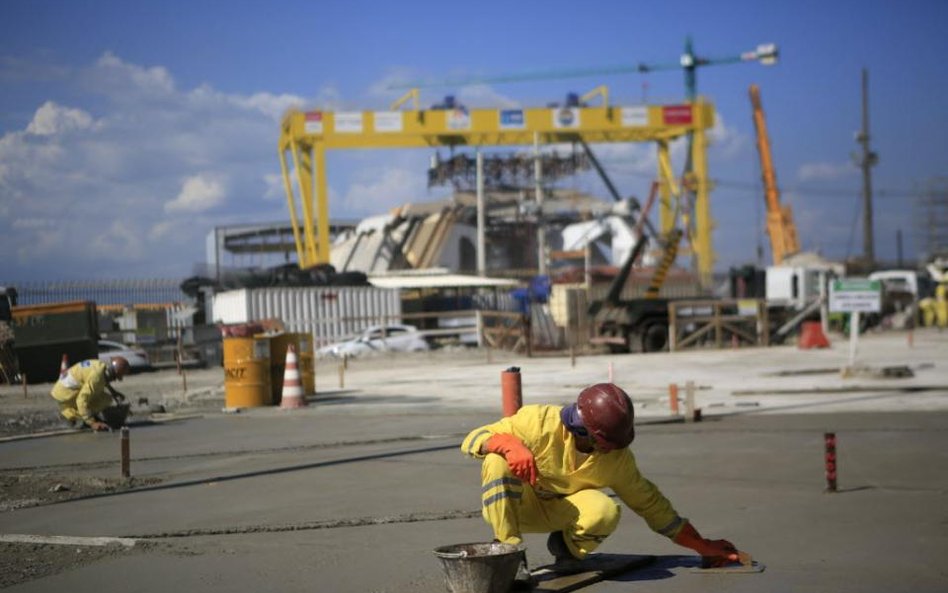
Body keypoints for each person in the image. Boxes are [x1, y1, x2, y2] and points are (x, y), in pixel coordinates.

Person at [461, 382, 740, 583]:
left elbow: (652, 506)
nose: (612, 450)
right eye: (606, 444)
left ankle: (566, 550)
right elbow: (472, 439)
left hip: (559, 512)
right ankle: (509, 552)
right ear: (582, 430)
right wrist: (508, 444)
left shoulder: (617, 459)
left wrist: (702, 545)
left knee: (605, 510)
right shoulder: (538, 422)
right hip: (517, 507)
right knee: (496, 461)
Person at [50, 357, 130, 431]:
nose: (115, 380)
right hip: (66, 394)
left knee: (101, 395)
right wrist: (92, 423)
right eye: (115, 377)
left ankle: (90, 416)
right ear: (112, 373)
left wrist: (113, 392)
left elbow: (104, 379)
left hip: (63, 390)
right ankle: (69, 414)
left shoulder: (100, 367)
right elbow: (81, 400)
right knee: (104, 399)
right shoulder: (97, 378)